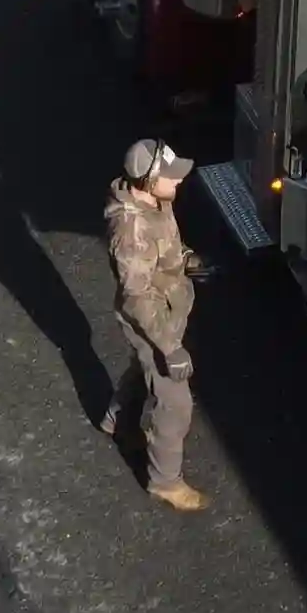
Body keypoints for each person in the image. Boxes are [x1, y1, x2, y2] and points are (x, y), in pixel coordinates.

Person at [99, 138, 208, 512]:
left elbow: (165, 248)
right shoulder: (131, 230)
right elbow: (136, 297)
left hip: (166, 308)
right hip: (151, 321)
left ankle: (118, 420)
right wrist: (169, 347)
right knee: (175, 401)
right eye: (171, 178)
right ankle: (164, 482)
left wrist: (186, 261)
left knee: (142, 370)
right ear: (147, 180)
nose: (178, 183)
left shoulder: (156, 201)